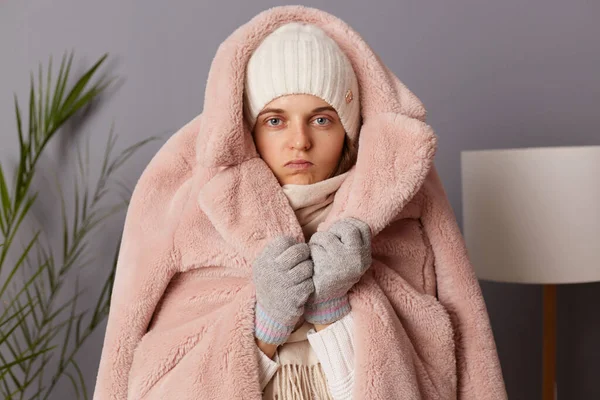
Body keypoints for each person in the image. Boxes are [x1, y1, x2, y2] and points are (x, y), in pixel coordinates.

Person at [93, 5, 508, 400]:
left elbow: (442, 371)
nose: (300, 140)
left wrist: (334, 310)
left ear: (349, 129)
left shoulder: (401, 211)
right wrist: (265, 325)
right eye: (275, 120)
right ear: (248, 129)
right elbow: (150, 377)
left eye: (322, 119)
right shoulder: (194, 214)